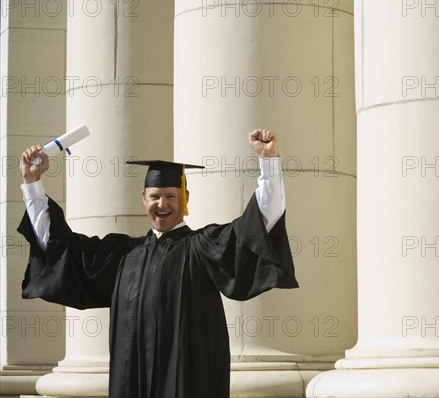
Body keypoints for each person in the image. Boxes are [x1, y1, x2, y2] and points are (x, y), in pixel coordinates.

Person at [18, 129, 298, 398]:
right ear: (144, 199)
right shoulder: (122, 255)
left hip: (187, 384)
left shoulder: (203, 247)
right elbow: (60, 247)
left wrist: (268, 162)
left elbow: (256, 226)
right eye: (154, 196)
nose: (162, 204)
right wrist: (32, 183)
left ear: (184, 198)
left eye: (170, 196)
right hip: (132, 384)